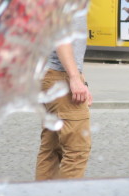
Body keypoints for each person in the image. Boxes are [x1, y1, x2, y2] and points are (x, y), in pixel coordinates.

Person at [36, 13, 93, 180]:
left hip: (49, 74)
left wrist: (81, 79)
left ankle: (42, 194)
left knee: (51, 149)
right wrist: (74, 77)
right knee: (77, 151)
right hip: (60, 76)